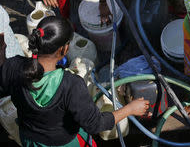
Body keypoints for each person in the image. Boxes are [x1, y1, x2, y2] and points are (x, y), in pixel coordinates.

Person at [0, 16, 150, 146]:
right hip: (65, 143)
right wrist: (130, 109)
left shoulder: (13, 67)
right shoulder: (71, 85)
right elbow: (95, 124)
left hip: (31, 140)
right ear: (64, 50)